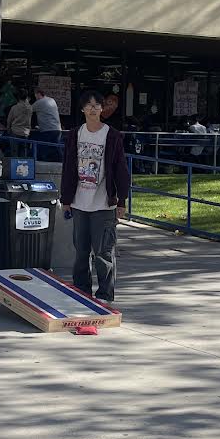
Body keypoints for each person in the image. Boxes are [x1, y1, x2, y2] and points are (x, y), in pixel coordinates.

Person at [60, 90, 130, 304]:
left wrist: (121, 201)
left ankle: (104, 295)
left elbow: (120, 169)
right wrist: (66, 200)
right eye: (88, 105)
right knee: (81, 252)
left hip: (103, 204)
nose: (93, 108)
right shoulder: (75, 134)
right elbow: (68, 167)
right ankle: (81, 292)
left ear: (103, 109)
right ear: (82, 109)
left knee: (103, 253)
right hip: (79, 202)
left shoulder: (112, 135)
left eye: (97, 104)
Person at [30, 88, 63, 161]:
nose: (35, 97)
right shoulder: (52, 100)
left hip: (48, 130)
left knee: (40, 147)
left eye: (35, 95)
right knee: (56, 148)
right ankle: (62, 163)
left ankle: (37, 162)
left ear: (38, 94)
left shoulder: (40, 102)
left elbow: (28, 110)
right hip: (57, 129)